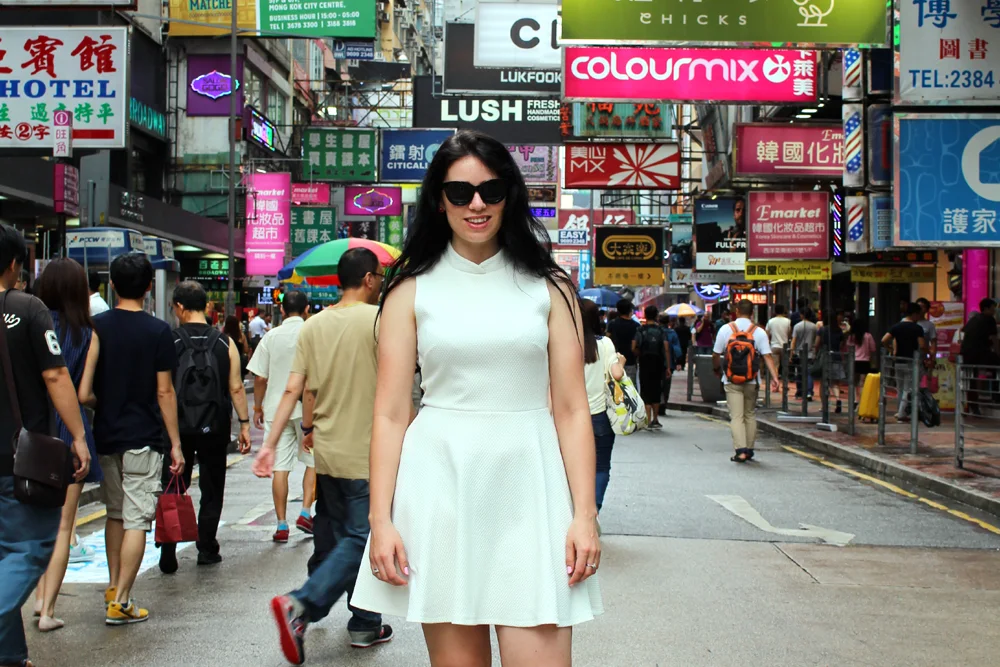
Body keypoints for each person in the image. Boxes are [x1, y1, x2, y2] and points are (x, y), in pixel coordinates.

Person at [352, 131, 601, 667]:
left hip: (530, 488)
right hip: (441, 488)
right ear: (439, 200)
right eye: (460, 192)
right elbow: (392, 413)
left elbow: (572, 409)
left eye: (490, 189)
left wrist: (585, 515)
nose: (477, 204)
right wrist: (381, 520)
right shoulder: (409, 289)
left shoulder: (550, 286)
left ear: (510, 193)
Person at [253, 248, 392, 663]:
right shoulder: (382, 321)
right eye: (380, 276)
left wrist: (270, 443)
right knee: (362, 539)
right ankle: (303, 604)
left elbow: (296, 390)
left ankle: (365, 621)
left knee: (336, 534)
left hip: (327, 454)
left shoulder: (314, 326)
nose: (382, 282)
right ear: (368, 279)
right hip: (369, 452)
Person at [78, 252, 184, 626]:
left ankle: (113, 586)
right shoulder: (158, 331)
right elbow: (164, 392)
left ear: (113, 284)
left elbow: (84, 391)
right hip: (144, 438)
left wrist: (103, 403)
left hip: (106, 435)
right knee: (138, 519)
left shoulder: (96, 326)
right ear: (147, 287)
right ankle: (122, 600)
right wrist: (175, 442)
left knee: (115, 514)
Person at [0, 226, 90, 667]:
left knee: (3, 556)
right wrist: (76, 436)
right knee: (32, 547)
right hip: (17, 460)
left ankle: (11, 656)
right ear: (16, 265)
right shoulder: (26, 308)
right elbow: (56, 376)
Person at [158, 281, 251, 574]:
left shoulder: (169, 341)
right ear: (206, 307)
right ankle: (207, 547)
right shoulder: (225, 343)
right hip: (215, 424)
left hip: (178, 427)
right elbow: (236, 387)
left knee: (173, 485)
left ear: (180, 307)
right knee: (213, 486)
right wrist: (245, 425)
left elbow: (163, 389)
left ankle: (170, 548)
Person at [32, 259, 104, 633]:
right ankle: (47, 610)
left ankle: (35, 597)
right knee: (63, 527)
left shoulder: (32, 324)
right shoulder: (88, 335)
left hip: (33, 430)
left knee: (35, 523)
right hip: (70, 432)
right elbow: (82, 394)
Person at [247, 289, 317, 542]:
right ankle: (306, 512)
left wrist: (256, 408)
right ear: (307, 309)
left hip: (276, 408)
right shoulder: (314, 333)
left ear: (283, 310)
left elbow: (260, 377)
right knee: (312, 462)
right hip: (308, 408)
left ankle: (281, 524)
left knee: (280, 468)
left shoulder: (271, 337)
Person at [712, 299, 780, 463]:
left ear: (736, 311)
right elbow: (767, 356)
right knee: (749, 414)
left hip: (731, 379)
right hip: (751, 380)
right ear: (752, 313)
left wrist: (717, 370)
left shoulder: (725, 329)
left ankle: (740, 450)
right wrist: (775, 378)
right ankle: (749, 449)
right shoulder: (759, 332)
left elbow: (716, 354)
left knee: (736, 416)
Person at [581, 299, 624, 522]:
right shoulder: (605, 344)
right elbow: (617, 375)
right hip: (600, 416)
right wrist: (621, 362)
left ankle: (575, 510)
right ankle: (593, 510)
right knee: (601, 465)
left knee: (572, 464)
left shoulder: (567, 343)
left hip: (572, 417)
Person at [881, 302, 927, 422]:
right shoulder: (917, 328)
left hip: (898, 361)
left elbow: (884, 340)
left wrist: (890, 350)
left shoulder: (897, 326)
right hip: (911, 361)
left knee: (900, 388)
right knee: (909, 388)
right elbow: (922, 345)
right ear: (915, 314)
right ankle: (902, 413)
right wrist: (926, 353)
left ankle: (900, 411)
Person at [633, 305, 670, 428]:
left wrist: (640, 355)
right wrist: (668, 366)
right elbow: (666, 348)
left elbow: (633, 347)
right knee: (656, 389)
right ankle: (655, 418)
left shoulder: (640, 330)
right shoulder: (661, 331)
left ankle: (647, 419)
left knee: (645, 388)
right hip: (658, 362)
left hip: (645, 362)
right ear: (656, 316)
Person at [960, 298, 999, 415]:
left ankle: (973, 405)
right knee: (997, 367)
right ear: (987, 308)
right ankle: (996, 397)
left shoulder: (974, 319)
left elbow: (964, 333)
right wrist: (998, 352)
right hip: (979, 352)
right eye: (993, 308)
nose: (995, 311)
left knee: (971, 378)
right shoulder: (989, 319)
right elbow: (994, 339)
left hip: (967, 353)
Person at [606, 298, 639, 382]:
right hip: (630, 361)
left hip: (614, 360)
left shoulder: (612, 324)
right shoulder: (636, 326)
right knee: (630, 387)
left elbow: (607, 339)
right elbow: (635, 345)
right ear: (630, 310)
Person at [791, 308, 818, 400]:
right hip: (811, 353)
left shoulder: (797, 326)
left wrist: (791, 353)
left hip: (799, 353)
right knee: (809, 373)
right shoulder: (814, 326)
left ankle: (800, 391)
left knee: (799, 373)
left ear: (802, 315)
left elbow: (793, 341)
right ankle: (809, 392)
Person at [658, 313, 682, 414]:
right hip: (669, 363)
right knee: (666, 385)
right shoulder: (672, 333)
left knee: (657, 384)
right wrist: (679, 361)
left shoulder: (656, 331)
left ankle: (658, 403)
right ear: (668, 322)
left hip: (656, 362)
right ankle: (664, 405)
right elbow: (677, 349)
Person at [849, 318, 877, 397]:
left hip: (854, 361)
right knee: (862, 383)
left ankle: (854, 399)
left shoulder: (851, 336)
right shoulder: (868, 336)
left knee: (853, 382)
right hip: (865, 361)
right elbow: (873, 349)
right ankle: (861, 402)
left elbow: (848, 348)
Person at [766, 304, 791, 376]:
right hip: (784, 346)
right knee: (785, 366)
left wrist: (769, 342)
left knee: (775, 366)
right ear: (783, 311)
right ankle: (785, 384)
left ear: (775, 311)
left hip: (774, 346)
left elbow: (767, 334)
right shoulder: (788, 321)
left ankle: (775, 382)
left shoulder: (770, 321)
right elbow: (789, 335)